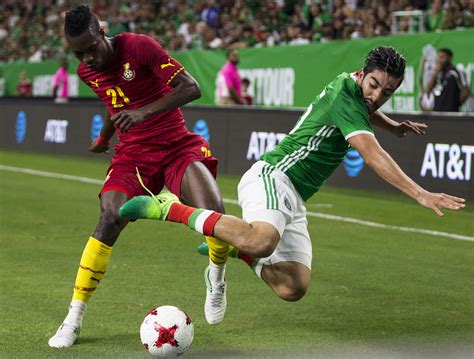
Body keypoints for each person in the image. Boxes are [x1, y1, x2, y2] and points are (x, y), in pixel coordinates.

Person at [120, 46, 466, 309]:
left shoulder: (353, 90)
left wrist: (393, 126)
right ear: (362, 74)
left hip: (294, 196)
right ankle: (167, 207)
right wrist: (420, 193)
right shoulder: (347, 95)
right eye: (374, 85)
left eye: (387, 92)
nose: (377, 96)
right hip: (274, 175)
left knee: (292, 287)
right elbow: (372, 153)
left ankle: (234, 247)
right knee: (262, 241)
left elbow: (366, 109)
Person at [48, 5, 228, 349]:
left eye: (91, 48)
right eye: (78, 53)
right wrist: (103, 139)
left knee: (214, 215)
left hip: (176, 145)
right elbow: (113, 104)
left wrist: (143, 112)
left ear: (102, 32)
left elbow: (191, 88)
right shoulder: (87, 72)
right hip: (134, 156)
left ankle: (216, 276)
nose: (86, 59)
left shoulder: (140, 46)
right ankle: (73, 317)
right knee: (109, 217)